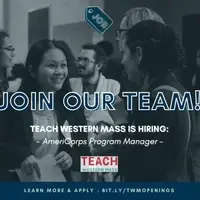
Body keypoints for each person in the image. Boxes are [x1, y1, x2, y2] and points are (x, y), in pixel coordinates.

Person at [94, 20, 196, 181]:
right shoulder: (179, 91)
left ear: (139, 54)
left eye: (125, 53)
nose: (122, 61)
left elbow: (133, 164)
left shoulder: (154, 101)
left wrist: (86, 163)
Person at [0, 39, 89, 181]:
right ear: (32, 70)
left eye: (63, 65)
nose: (59, 72)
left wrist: (71, 158)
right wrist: (22, 155)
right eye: (52, 66)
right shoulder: (12, 104)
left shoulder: (72, 106)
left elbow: (84, 153)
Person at [69, 43, 123, 181]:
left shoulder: (112, 86)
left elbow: (114, 125)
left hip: (104, 153)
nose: (80, 63)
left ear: (99, 65)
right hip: (77, 152)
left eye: (85, 60)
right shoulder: (70, 85)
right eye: (78, 59)